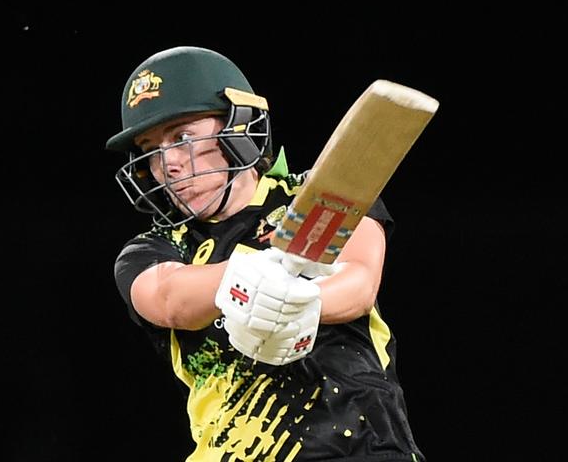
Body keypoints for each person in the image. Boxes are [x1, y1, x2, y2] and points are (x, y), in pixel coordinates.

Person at [105, 46, 425, 462]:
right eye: (152, 148)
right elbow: (167, 298)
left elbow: (360, 281)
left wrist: (304, 303)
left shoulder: (315, 198)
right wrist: (252, 278)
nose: (169, 166)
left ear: (238, 126)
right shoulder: (155, 248)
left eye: (182, 138)